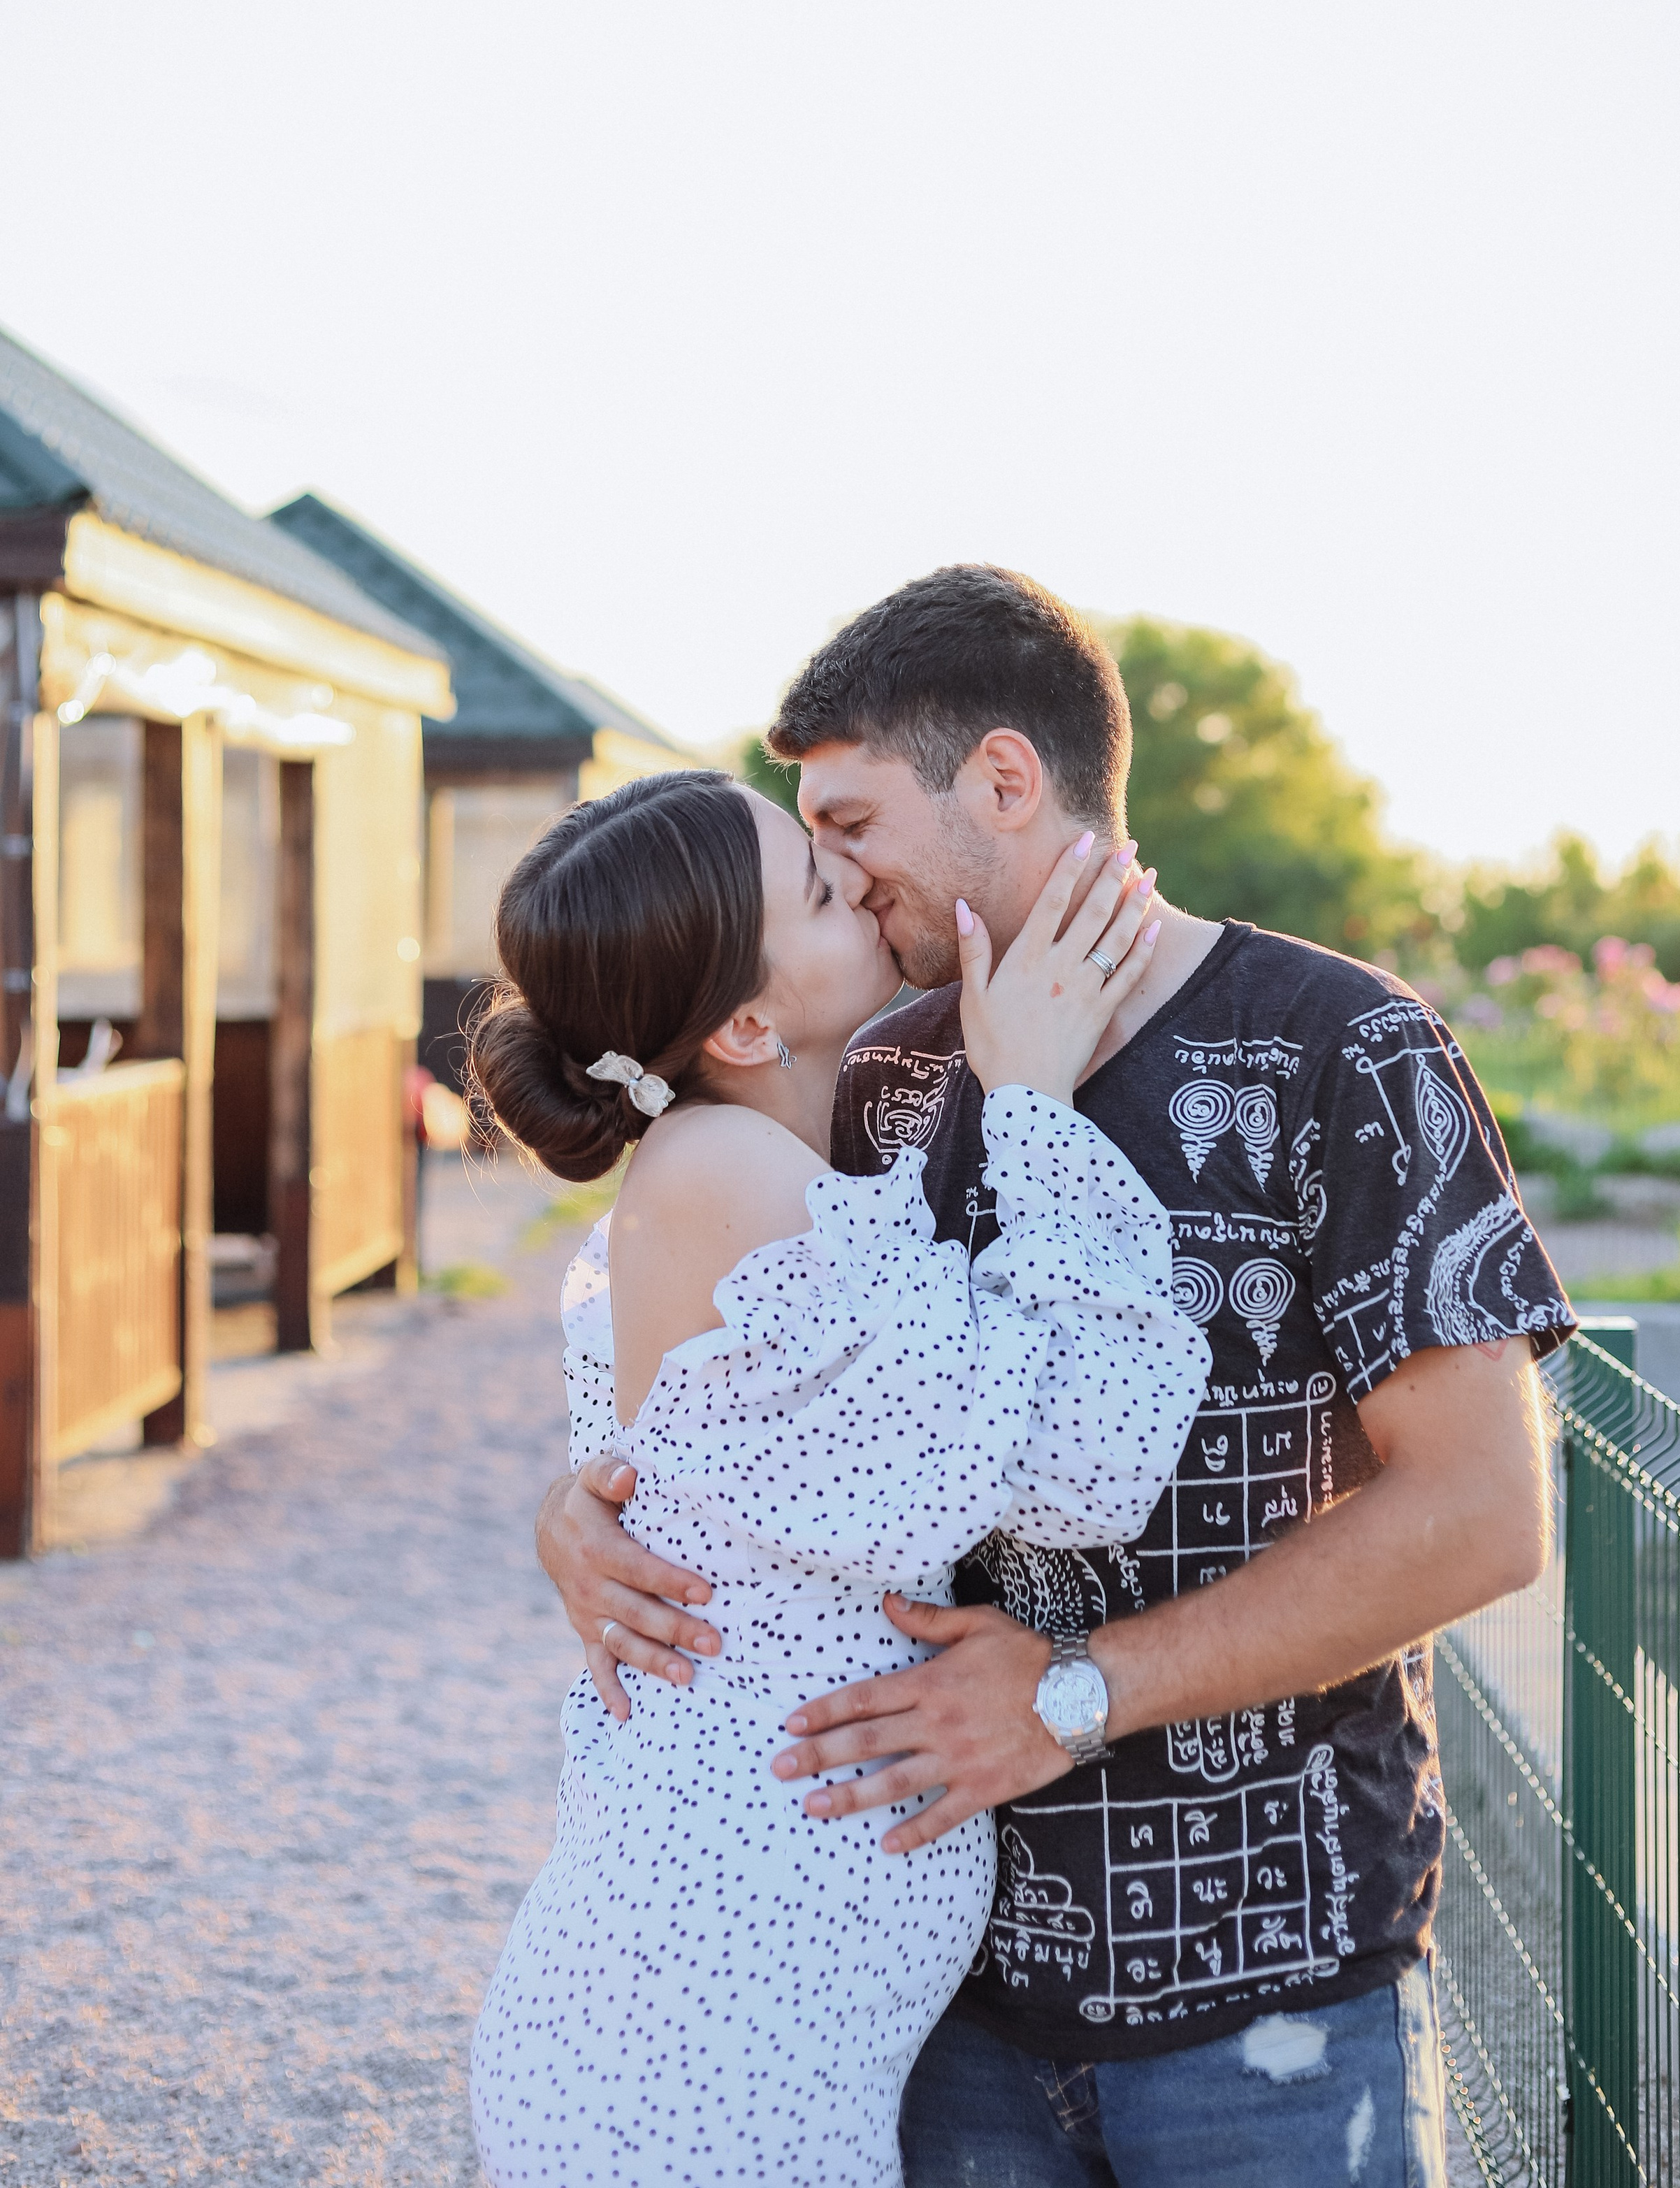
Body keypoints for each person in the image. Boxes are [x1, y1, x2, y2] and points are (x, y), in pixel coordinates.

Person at [540, 565, 1576, 2188]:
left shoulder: (1339, 1048)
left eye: (853, 824)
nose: (833, 870)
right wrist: (590, 1515)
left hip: (1262, 1993)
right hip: (935, 2009)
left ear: (1004, 784)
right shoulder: (868, 1079)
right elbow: (741, 1396)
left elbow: (1479, 1522)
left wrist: (1071, 1695)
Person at [465, 765, 1213, 2188]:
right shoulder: (721, 1170)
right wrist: (1035, 1101)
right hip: (690, 2040)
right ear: (747, 1021)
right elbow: (1079, 1466)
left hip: (741, 2024)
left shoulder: (778, 1167)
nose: (849, 872)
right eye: (813, 885)